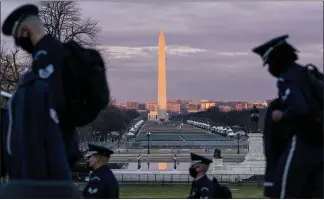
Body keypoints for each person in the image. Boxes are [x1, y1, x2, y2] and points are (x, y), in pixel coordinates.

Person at [1, 4, 71, 180]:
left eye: (18, 39)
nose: (20, 44)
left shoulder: (50, 62)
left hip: (42, 170)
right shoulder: (44, 63)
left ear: (25, 30)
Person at [252, 35, 323, 198]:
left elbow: (300, 108)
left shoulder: (288, 78)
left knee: (285, 189)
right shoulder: (306, 73)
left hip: (303, 139)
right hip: (319, 141)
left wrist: (281, 114)